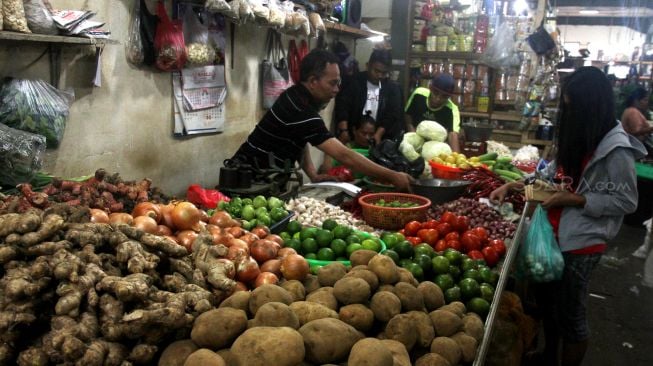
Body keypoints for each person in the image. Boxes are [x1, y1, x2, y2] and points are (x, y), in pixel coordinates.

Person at [490, 67, 646, 366]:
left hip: (583, 243)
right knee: (549, 306)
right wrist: (511, 184)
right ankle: (549, 355)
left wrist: (576, 198)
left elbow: (627, 200)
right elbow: (551, 174)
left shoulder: (616, 150)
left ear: (592, 106)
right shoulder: (580, 135)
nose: (568, 113)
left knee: (571, 316)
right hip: (554, 235)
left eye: (573, 106)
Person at [230, 49, 413, 191]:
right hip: (247, 180)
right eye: (332, 83)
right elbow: (344, 155)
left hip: (265, 178)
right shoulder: (300, 108)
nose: (337, 89)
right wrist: (392, 176)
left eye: (338, 83)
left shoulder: (298, 97)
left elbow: (300, 138)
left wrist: (312, 174)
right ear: (312, 81)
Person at [334, 48, 404, 144]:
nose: (379, 75)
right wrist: (343, 130)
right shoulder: (354, 82)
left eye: (383, 73)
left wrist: (378, 135)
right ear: (368, 66)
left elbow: (392, 114)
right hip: (352, 136)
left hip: (381, 139)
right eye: (376, 71)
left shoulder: (393, 89)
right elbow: (343, 106)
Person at [404, 73, 461, 152]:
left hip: (434, 150)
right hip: (412, 143)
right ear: (430, 87)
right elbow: (408, 114)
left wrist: (457, 159)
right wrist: (413, 135)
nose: (438, 99)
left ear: (449, 97)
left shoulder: (452, 109)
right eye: (436, 93)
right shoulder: (418, 94)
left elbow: (453, 135)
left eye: (444, 96)